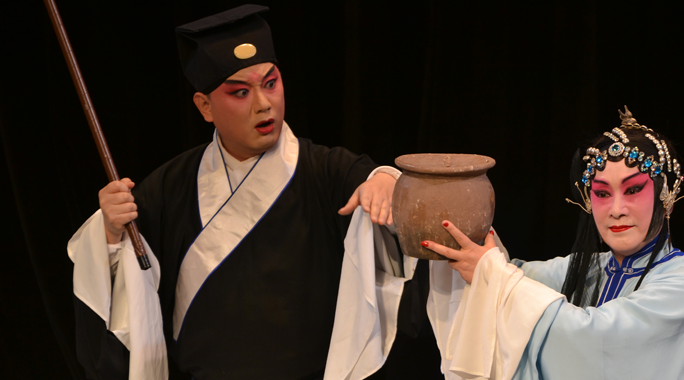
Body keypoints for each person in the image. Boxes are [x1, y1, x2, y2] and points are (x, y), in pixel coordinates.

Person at [68, 5, 423, 379]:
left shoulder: (326, 172)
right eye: (240, 92)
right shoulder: (170, 187)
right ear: (204, 106)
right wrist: (109, 231)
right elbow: (125, 290)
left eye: (270, 83)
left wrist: (387, 181)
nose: (263, 104)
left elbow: (380, 187)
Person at [423, 107, 684, 379]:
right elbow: (511, 274)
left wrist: (492, 274)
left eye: (632, 190)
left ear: (664, 195)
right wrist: (463, 236)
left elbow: (594, 341)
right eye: (603, 193)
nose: (616, 209)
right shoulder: (591, 267)